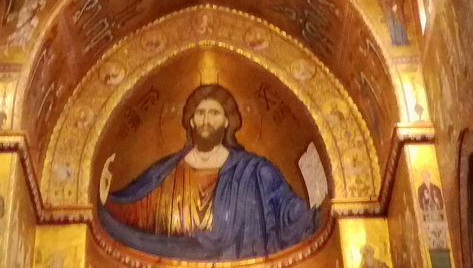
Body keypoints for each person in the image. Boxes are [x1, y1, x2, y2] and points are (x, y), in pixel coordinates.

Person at [98, 84, 324, 259]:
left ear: (227, 122)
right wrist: (106, 197)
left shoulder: (255, 172)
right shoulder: (167, 171)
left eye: (214, 113)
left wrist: (318, 199)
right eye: (200, 113)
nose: (206, 120)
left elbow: (291, 214)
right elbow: (136, 210)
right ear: (191, 122)